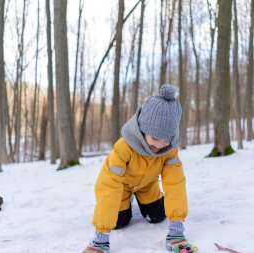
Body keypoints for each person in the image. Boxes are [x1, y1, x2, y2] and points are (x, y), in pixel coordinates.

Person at [82, 84, 197, 253]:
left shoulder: (170, 151)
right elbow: (109, 186)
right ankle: (125, 204)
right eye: (155, 138)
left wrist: (177, 229)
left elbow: (175, 184)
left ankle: (149, 202)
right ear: (142, 129)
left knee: (158, 216)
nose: (159, 145)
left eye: (167, 139)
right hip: (121, 188)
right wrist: (101, 236)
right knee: (119, 222)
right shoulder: (123, 148)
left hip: (147, 186)